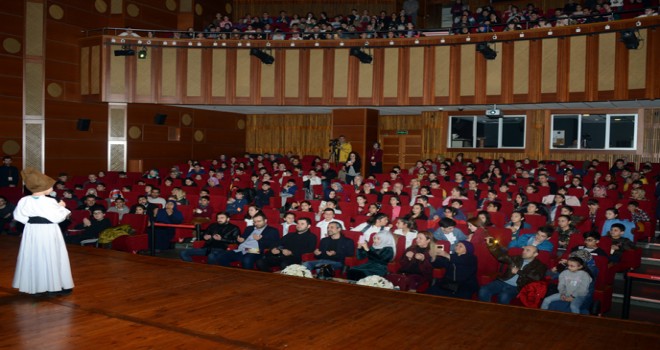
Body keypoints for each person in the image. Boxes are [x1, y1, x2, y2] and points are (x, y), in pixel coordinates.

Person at [12, 167, 74, 295]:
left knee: (34, 256)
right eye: (50, 186)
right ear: (43, 188)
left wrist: (32, 222)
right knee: (52, 254)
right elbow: (59, 217)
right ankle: (54, 285)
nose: (52, 188)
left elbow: (18, 216)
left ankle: (35, 286)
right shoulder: (50, 201)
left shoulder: (24, 200)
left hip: (32, 231)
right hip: (49, 230)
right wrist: (63, 207)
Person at [478, 243, 547, 305]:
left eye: (527, 250)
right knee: (483, 290)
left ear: (535, 254)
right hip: (502, 281)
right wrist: (491, 245)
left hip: (517, 287)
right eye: (524, 249)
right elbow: (502, 257)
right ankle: (486, 309)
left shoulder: (540, 265)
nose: (523, 252)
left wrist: (518, 272)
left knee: (504, 296)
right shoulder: (516, 258)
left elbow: (536, 277)